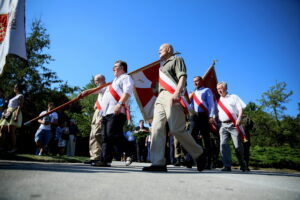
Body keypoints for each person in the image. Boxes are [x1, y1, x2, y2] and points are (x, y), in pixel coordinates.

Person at [142, 44, 205, 172]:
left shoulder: (177, 59)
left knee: (176, 129)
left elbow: (182, 77)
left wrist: (177, 93)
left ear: (169, 50)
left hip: (172, 94)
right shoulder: (162, 66)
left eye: (161, 49)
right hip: (160, 97)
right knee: (156, 128)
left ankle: (199, 153)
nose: (158, 50)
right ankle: (158, 162)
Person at [92, 60, 134, 167]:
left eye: (115, 66)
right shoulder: (112, 83)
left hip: (118, 111)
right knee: (106, 137)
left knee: (113, 135)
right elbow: (105, 99)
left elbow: (128, 92)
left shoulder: (126, 78)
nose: (112, 69)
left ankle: (130, 151)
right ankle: (105, 160)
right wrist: (102, 115)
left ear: (122, 68)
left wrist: (119, 104)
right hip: (107, 114)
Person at [216, 81, 247, 172]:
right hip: (223, 125)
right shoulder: (218, 101)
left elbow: (240, 109)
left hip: (233, 124)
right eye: (217, 89)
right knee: (223, 145)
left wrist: (239, 118)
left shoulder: (234, 97)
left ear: (225, 88)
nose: (219, 91)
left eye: (220, 88)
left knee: (237, 146)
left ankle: (242, 163)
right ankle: (227, 165)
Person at [188, 76, 216, 169]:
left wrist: (211, 115)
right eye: (194, 81)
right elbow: (188, 104)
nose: (195, 83)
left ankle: (208, 162)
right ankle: (190, 160)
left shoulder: (207, 90)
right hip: (194, 116)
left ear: (201, 81)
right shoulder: (193, 93)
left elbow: (211, 104)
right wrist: (189, 97)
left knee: (206, 139)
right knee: (191, 137)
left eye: (197, 81)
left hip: (204, 115)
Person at [80, 74, 106, 164]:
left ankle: (100, 156)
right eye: (95, 80)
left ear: (103, 79)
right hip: (97, 112)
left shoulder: (106, 86)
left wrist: (85, 92)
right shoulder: (101, 89)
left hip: (102, 112)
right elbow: (99, 98)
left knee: (97, 134)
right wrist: (96, 104)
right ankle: (94, 157)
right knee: (92, 135)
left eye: (97, 80)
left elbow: (96, 90)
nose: (96, 82)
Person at [0, 84, 24, 153]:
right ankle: (1, 146)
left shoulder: (21, 96)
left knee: (11, 131)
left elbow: (19, 106)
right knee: (2, 129)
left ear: (18, 88)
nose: (14, 88)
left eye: (15, 87)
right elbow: (8, 106)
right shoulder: (14, 96)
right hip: (8, 113)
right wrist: (5, 112)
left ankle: (13, 147)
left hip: (14, 112)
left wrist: (16, 115)